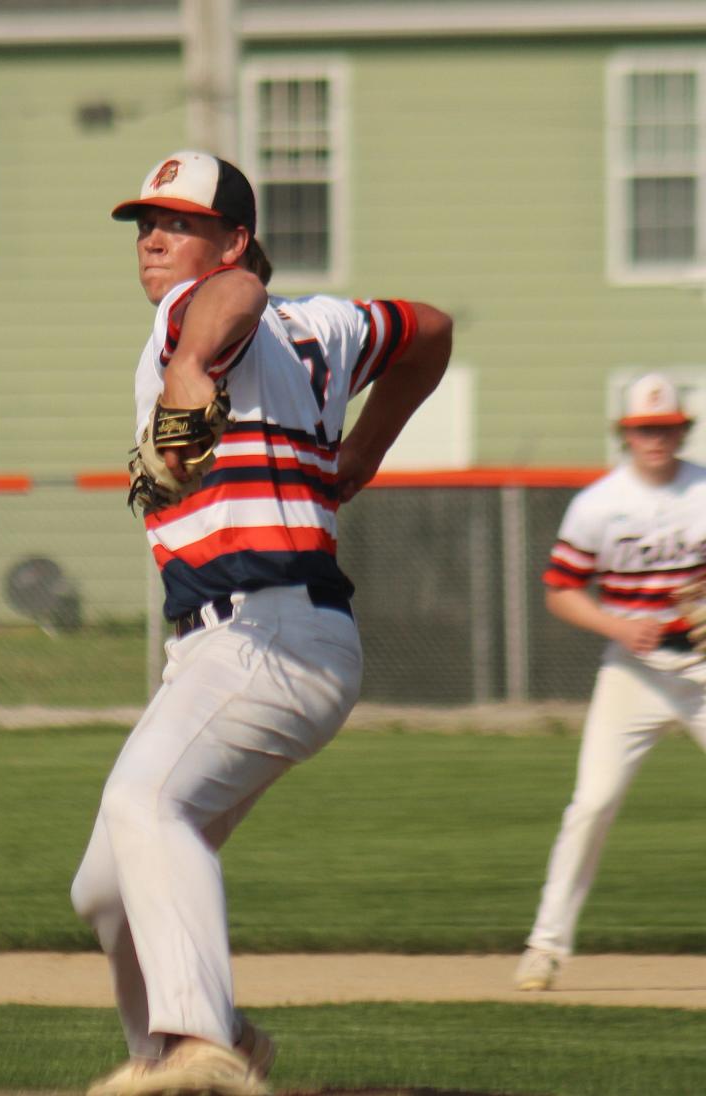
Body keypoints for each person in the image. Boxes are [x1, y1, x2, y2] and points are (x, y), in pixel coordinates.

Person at [71, 149, 453, 1096]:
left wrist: (193, 363)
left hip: (262, 636)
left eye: (178, 224)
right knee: (106, 888)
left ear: (234, 241)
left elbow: (229, 299)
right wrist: (362, 447)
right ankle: (191, 1048)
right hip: (253, 646)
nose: (153, 239)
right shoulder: (322, 325)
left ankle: (197, 1049)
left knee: (145, 807)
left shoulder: (199, 310)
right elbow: (432, 332)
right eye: (142, 225)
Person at [515, 373, 706, 992]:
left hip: (702, 668)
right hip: (634, 674)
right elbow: (560, 590)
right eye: (644, 428)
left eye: (666, 427)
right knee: (592, 803)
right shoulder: (599, 502)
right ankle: (544, 947)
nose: (656, 437)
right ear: (626, 434)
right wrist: (617, 626)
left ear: (682, 430)